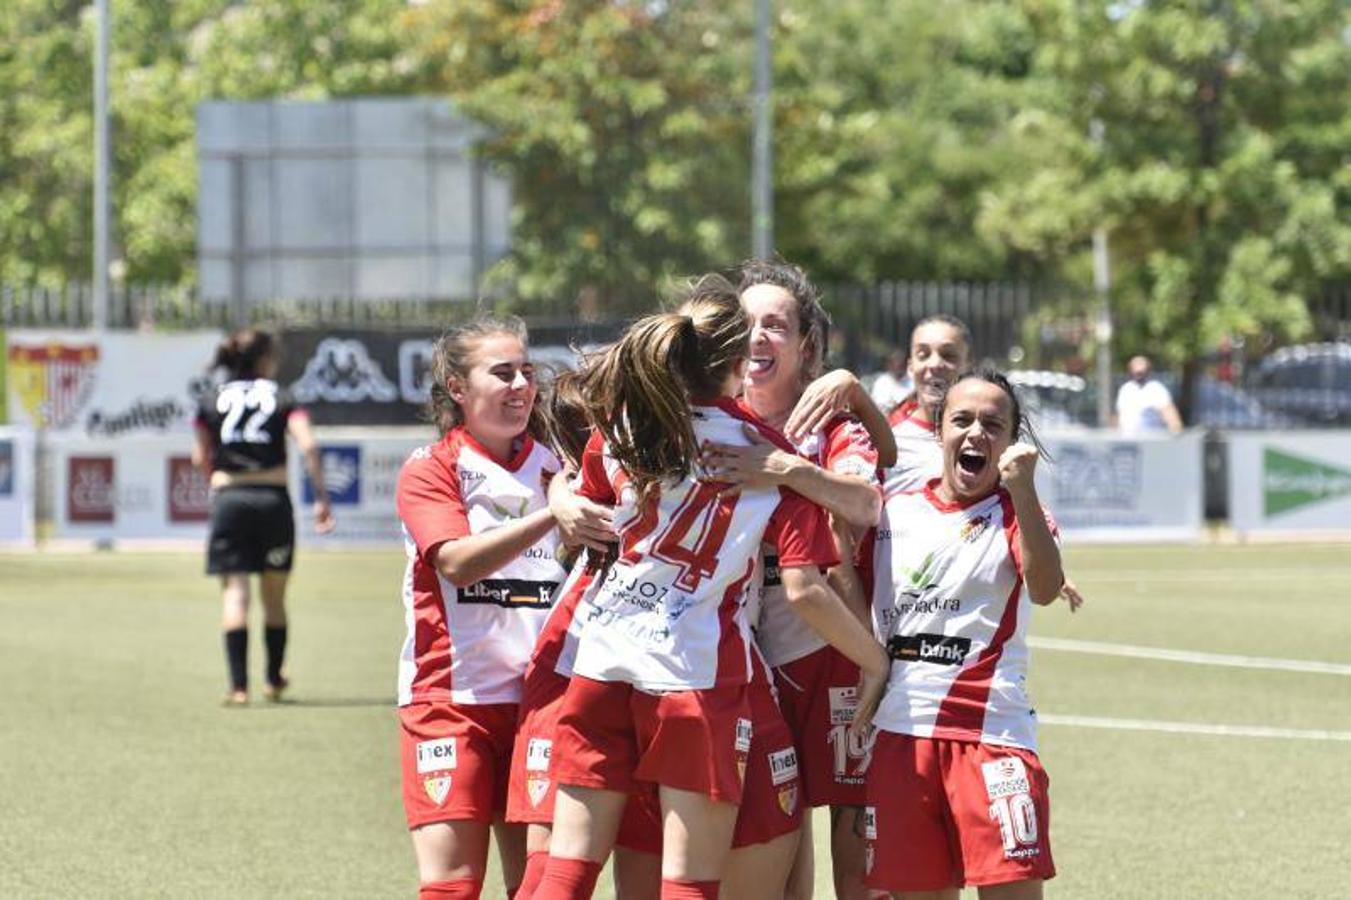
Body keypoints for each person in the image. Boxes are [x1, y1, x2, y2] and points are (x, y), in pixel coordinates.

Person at [531, 275, 890, 900]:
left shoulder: (626, 422)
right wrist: (875, 661)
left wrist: (563, 495)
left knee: (565, 874)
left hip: (601, 661)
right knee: (690, 884)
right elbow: (806, 586)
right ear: (732, 362)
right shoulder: (764, 451)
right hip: (695, 674)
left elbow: (585, 505)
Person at [699, 259, 894, 900]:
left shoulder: (831, 427)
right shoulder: (711, 420)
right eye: (747, 323)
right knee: (776, 840)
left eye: (776, 325)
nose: (759, 337)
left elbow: (865, 502)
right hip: (740, 659)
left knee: (853, 832)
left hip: (824, 653)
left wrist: (781, 467)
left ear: (805, 345)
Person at [866, 368, 1068, 899]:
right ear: (940, 432)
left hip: (993, 737)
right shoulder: (892, 512)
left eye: (993, 424)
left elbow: (1045, 587)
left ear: (1009, 441)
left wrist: (1022, 489)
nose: (976, 432)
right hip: (901, 736)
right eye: (962, 420)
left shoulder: (1019, 512)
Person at [394, 316, 566, 899]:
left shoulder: (557, 467)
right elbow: (458, 563)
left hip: (541, 702)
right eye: (502, 372)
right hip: (451, 700)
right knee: (451, 886)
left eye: (526, 372)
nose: (520, 385)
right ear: (457, 388)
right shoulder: (431, 468)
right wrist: (553, 514)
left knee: (541, 885)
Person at [192, 328, 333, 706]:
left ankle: (238, 688)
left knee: (236, 595)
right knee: (274, 597)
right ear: (265, 359)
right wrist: (322, 499)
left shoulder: (211, 398)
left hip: (230, 499)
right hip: (273, 501)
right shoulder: (284, 396)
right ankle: (273, 679)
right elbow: (309, 446)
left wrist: (220, 481)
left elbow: (199, 456)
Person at [1113, 355, 1183, 435]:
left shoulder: (1156, 389)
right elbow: (1119, 415)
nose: (1138, 374)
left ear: (1148, 370)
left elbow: (1170, 414)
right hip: (1127, 440)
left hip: (1150, 440)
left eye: (1141, 372)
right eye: (1135, 371)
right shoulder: (1125, 389)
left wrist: (1176, 434)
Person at [869, 349, 912, 414]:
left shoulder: (912, 382)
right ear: (890, 364)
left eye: (901, 364)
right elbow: (877, 405)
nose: (898, 366)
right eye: (896, 363)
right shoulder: (881, 382)